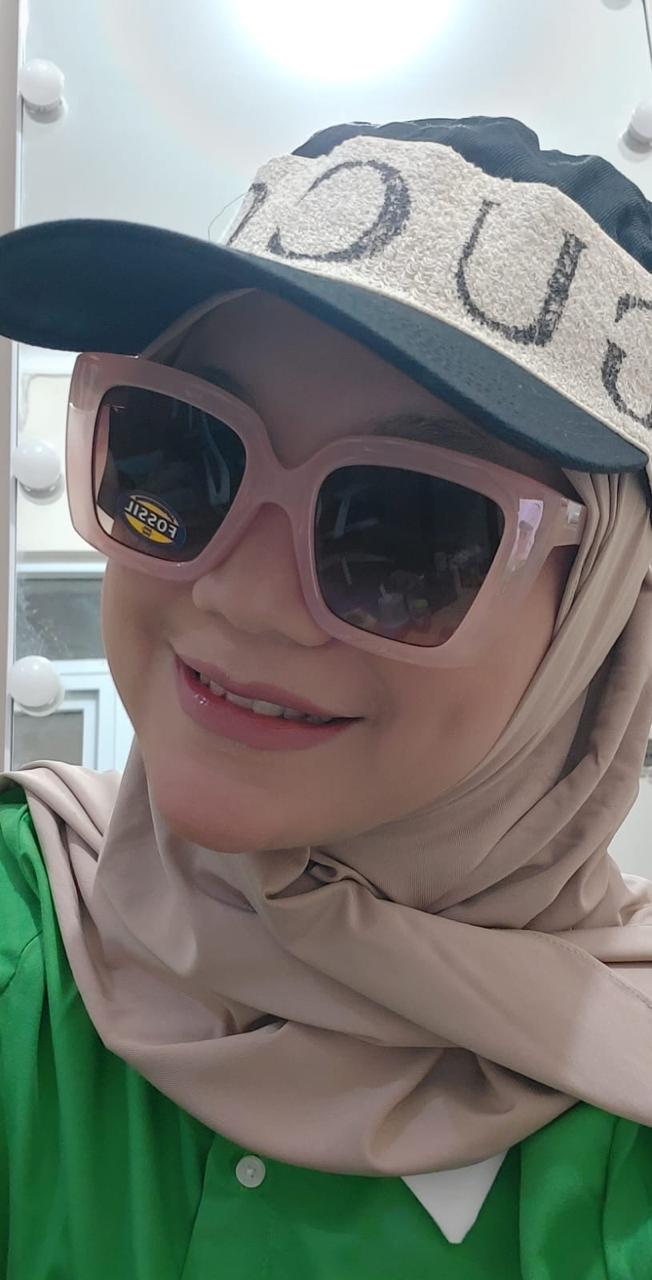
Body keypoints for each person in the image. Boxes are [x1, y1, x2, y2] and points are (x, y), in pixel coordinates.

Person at [0, 115, 651, 1278]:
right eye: (178, 450)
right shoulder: (25, 923)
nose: (242, 595)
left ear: (599, 627)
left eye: (405, 529)